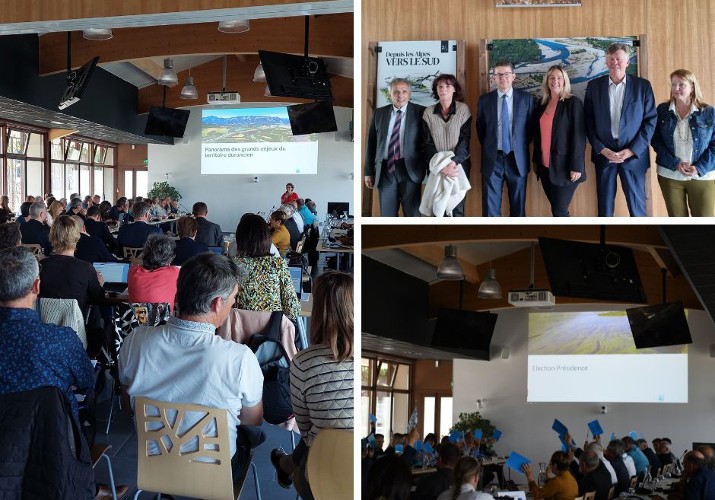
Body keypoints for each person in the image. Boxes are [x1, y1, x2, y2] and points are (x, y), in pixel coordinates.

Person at [119, 252, 264, 482]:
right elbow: (252, 421)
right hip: (217, 477)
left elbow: (128, 405)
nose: (234, 304)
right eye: (233, 298)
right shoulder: (240, 359)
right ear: (217, 303)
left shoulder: (135, 341)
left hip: (156, 468)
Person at [270, 270, 354, 498]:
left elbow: (304, 428)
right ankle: (287, 465)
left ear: (318, 310)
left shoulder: (303, 362)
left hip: (318, 475)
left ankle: (288, 466)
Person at [583, 42, 657, 216]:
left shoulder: (642, 87)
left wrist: (632, 151)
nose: (614, 63)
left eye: (618, 59)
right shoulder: (594, 87)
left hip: (633, 156)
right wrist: (601, 148)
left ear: (627, 62)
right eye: (610, 59)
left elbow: (650, 121)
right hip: (604, 155)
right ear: (606, 62)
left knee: (637, 208)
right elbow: (588, 122)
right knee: (605, 209)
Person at [651, 69, 715, 216]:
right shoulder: (662, 110)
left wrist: (698, 168)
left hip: (702, 176)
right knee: (677, 223)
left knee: (704, 223)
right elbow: (656, 140)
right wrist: (675, 164)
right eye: (673, 84)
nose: (676, 88)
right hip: (670, 175)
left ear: (692, 86)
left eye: (681, 84)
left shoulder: (709, 112)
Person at [477, 60, 535, 217]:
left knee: (518, 209)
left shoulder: (526, 99)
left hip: (517, 159)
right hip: (492, 159)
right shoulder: (484, 101)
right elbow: (481, 129)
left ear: (513, 76)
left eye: (506, 74)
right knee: (490, 210)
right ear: (493, 78)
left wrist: (517, 145)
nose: (503, 77)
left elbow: (530, 130)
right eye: (499, 74)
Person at [364, 77, 426, 217]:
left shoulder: (421, 112)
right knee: (387, 215)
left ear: (409, 94)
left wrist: (425, 168)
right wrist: (368, 171)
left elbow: (427, 143)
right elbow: (371, 143)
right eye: (396, 92)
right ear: (390, 94)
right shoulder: (379, 113)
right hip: (385, 169)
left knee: (413, 215)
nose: (400, 95)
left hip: (410, 170)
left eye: (404, 91)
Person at [532, 65, 587, 216]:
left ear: (564, 81)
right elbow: (538, 135)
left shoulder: (573, 103)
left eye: (559, 78)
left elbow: (579, 137)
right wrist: (535, 161)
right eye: (551, 77)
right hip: (545, 167)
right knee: (557, 211)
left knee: (559, 211)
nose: (555, 81)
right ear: (547, 81)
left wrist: (576, 166)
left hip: (565, 168)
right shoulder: (541, 105)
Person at [421, 74, 472, 217]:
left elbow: (465, 140)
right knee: (437, 204)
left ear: (454, 89)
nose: (444, 89)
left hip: (459, 165)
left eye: (448, 86)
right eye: (440, 86)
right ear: (436, 90)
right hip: (436, 166)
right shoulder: (428, 113)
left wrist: (452, 163)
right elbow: (427, 143)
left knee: (457, 206)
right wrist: (441, 166)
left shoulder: (463, 110)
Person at [232, 213, 300, 320]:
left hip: (237, 332)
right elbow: (293, 309)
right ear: (266, 237)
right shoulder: (278, 265)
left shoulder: (230, 266)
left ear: (239, 238)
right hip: (271, 332)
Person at [38, 215, 105, 312]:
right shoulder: (85, 268)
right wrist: (100, 285)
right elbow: (98, 298)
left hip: (45, 323)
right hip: (75, 325)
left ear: (52, 237)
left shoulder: (41, 266)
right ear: (77, 237)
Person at [127, 234, 179, 305]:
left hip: (137, 316)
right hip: (165, 316)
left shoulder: (133, 272)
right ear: (168, 260)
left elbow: (137, 260)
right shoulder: (174, 272)